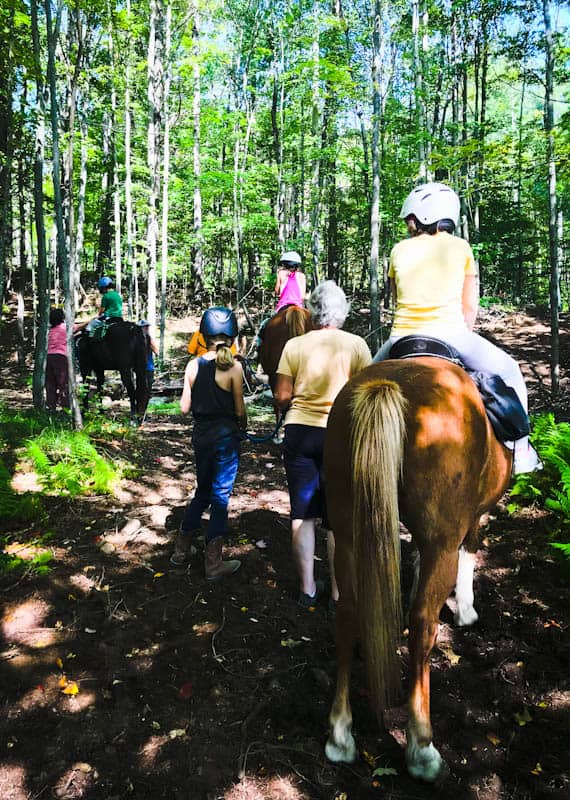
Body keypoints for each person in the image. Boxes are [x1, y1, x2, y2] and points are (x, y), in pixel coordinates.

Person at [374, 181, 541, 475]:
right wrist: (463, 333)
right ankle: (523, 452)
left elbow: (396, 298)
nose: (408, 224)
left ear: (423, 217)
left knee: (356, 384)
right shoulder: (461, 247)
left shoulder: (398, 250)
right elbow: (470, 307)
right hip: (451, 335)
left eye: (410, 218)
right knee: (512, 370)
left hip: (401, 338)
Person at [274, 281, 372, 609]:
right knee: (337, 517)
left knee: (302, 514)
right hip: (340, 435)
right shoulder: (357, 345)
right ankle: (338, 594)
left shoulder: (294, 346)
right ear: (342, 311)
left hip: (300, 432)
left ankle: (307, 590)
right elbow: (366, 394)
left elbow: (283, 396)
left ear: (312, 310)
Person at [171, 306, 247, 580]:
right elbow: (239, 410)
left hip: (201, 436)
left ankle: (180, 551)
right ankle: (213, 562)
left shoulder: (193, 365)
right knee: (220, 496)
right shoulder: (234, 367)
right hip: (225, 437)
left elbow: (183, 408)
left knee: (202, 491)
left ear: (203, 333)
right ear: (231, 335)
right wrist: (244, 426)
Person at [46, 308, 70, 411]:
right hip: (61, 357)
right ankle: (65, 408)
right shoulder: (65, 328)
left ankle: (51, 407)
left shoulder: (49, 331)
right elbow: (77, 327)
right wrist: (90, 320)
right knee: (63, 383)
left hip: (49, 357)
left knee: (50, 384)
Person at [138, 320, 159, 395]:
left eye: (147, 327)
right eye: (145, 327)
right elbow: (156, 350)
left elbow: (155, 350)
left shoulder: (147, 338)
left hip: (146, 366)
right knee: (146, 384)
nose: (147, 329)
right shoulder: (147, 338)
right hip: (146, 367)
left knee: (143, 384)